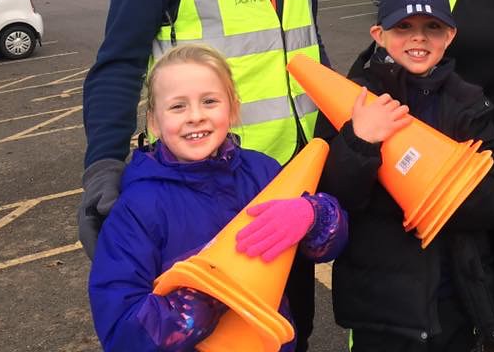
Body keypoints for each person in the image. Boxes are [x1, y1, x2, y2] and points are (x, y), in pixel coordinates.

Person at [78, 0, 326, 349]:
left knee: (290, 331)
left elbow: (307, 49)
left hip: (287, 187)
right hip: (202, 193)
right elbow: (118, 63)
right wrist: (101, 167)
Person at [88, 44, 347, 352]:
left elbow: (328, 246)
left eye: (210, 101)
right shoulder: (138, 206)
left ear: (232, 109)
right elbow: (121, 330)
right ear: (154, 122)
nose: (196, 116)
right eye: (177, 106)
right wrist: (209, 295)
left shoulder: (263, 173)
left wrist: (314, 214)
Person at [315, 0, 494, 352]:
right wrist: (359, 141)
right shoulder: (349, 101)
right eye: (403, 26)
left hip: (453, 303)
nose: (418, 38)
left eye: (432, 27)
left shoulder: (469, 105)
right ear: (378, 34)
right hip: (381, 308)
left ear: (450, 36)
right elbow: (331, 200)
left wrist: (437, 190)